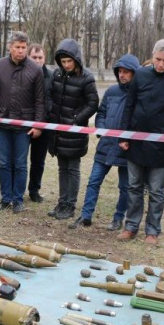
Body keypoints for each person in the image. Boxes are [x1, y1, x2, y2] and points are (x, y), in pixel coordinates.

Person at [117, 39, 164, 245]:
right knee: (133, 186)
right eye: (158, 59)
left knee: (156, 190)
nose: (160, 64)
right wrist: (124, 135)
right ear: (153, 55)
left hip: (162, 143)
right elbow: (129, 105)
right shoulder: (140, 74)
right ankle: (131, 226)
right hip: (136, 139)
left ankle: (153, 229)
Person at [70, 54, 140, 231]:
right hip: (106, 146)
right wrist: (101, 129)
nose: (122, 75)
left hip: (127, 149)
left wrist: (130, 139)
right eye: (120, 72)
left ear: (134, 73)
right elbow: (101, 113)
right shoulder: (111, 92)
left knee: (125, 187)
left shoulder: (139, 95)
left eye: (126, 72)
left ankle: (118, 218)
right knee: (93, 181)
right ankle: (86, 216)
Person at [0, 31, 45, 214]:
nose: (21, 51)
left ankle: (18, 199)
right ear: (10, 47)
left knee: (20, 164)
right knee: (4, 163)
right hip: (3, 124)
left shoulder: (35, 69)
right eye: (17, 47)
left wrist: (37, 125)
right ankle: (5, 198)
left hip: (24, 126)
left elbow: (39, 101)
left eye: (23, 47)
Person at [46, 38, 99, 220]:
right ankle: (62, 202)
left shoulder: (87, 78)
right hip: (58, 130)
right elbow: (50, 96)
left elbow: (93, 104)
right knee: (62, 168)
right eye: (63, 61)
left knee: (73, 168)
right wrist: (52, 112)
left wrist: (77, 119)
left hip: (75, 132)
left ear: (76, 60)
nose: (66, 65)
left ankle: (70, 205)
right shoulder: (57, 75)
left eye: (69, 61)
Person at [26, 43, 53, 203]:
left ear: (45, 58)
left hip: (44, 126)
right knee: (20, 161)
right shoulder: (22, 74)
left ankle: (34, 190)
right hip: (23, 124)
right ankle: (17, 189)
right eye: (34, 57)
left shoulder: (51, 77)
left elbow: (50, 102)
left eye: (40, 57)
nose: (37, 60)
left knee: (38, 161)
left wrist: (41, 124)